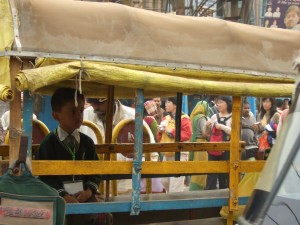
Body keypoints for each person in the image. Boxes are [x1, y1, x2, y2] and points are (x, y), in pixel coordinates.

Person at [36, 87, 102, 225]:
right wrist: (63, 195)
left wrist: (88, 191)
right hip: (57, 197)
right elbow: (44, 178)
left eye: (81, 111)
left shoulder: (87, 142)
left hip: (83, 195)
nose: (78, 116)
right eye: (72, 111)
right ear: (56, 116)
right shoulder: (48, 143)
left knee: (101, 215)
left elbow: (96, 171)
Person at [157, 97, 192, 192]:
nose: (166, 104)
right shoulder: (165, 118)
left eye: (169, 102)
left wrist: (171, 131)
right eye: (166, 101)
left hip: (179, 154)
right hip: (167, 153)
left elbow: (187, 134)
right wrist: (160, 131)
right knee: (164, 181)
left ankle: (174, 205)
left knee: (175, 185)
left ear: (175, 105)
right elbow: (159, 138)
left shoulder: (184, 119)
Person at [203, 96, 232, 190]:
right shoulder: (214, 116)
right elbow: (206, 133)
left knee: (224, 176)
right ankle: (209, 198)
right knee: (211, 174)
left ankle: (224, 199)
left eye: (221, 102)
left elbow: (236, 133)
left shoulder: (233, 117)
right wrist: (207, 126)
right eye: (217, 102)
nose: (218, 104)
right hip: (213, 149)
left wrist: (222, 127)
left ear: (228, 103)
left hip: (227, 150)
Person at [189, 100, 210, 191]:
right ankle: (199, 188)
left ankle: (193, 187)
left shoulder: (193, 117)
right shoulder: (202, 118)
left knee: (195, 167)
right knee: (201, 167)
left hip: (194, 143)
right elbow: (204, 133)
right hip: (202, 143)